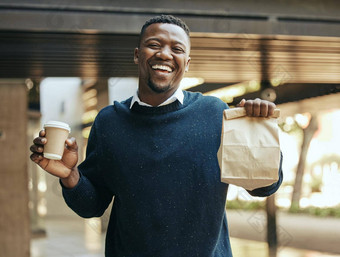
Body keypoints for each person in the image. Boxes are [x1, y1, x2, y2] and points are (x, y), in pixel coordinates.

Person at [30, 14, 283, 257]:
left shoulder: (215, 114)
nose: (165, 54)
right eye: (154, 45)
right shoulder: (109, 122)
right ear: (137, 55)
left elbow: (265, 186)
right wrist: (70, 175)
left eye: (177, 48)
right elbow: (91, 205)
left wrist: (259, 128)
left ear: (187, 62)